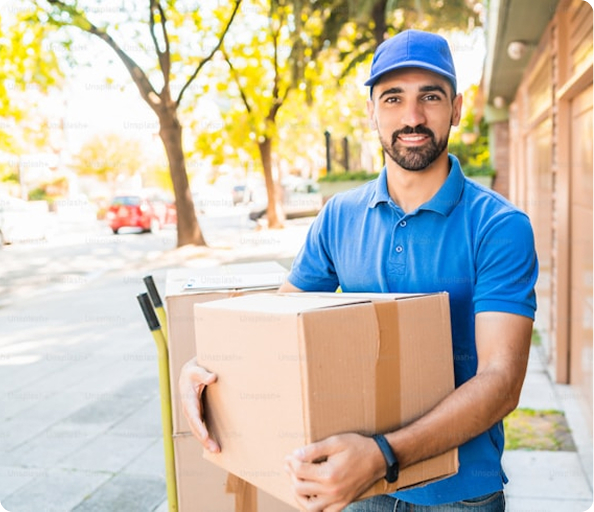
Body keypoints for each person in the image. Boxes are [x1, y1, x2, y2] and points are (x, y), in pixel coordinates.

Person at [179, 29, 538, 512]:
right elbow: (273, 324)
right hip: (356, 487)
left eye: (430, 97)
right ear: (371, 111)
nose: (412, 117)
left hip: (459, 494)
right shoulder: (339, 216)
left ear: (455, 108)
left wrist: (384, 454)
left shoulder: (499, 226)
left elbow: (501, 381)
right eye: (393, 99)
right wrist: (203, 366)